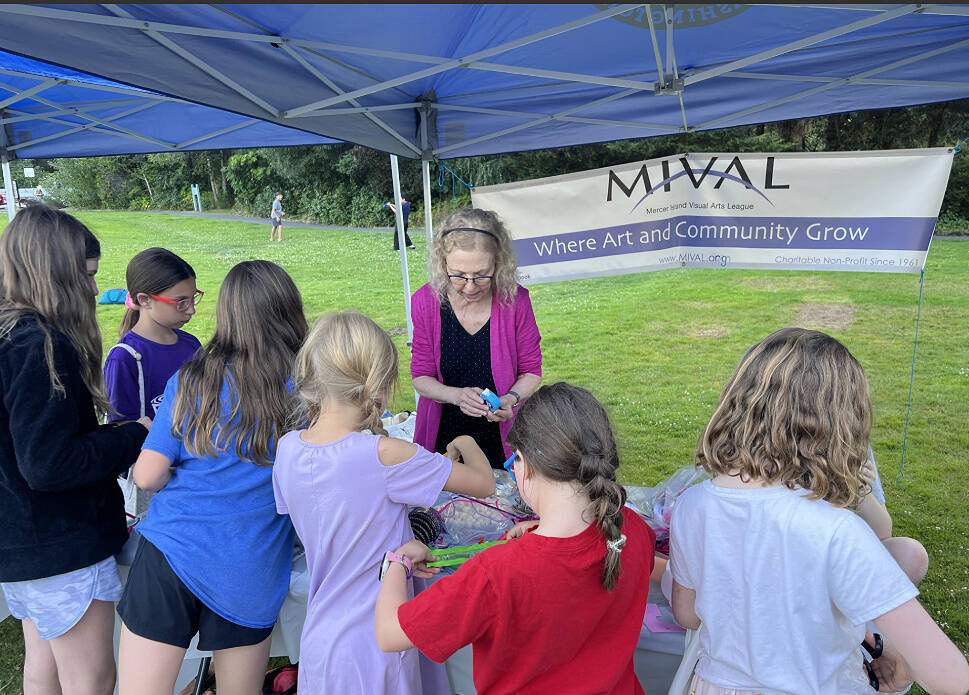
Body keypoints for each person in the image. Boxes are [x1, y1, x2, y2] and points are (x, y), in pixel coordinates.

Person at [669, 327, 969, 695]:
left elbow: (687, 614)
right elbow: (951, 678)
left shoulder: (692, 505)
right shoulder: (838, 531)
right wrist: (898, 656)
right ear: (842, 423)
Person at [375, 382, 656, 694]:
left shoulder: (495, 574)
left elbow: (390, 634)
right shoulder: (631, 529)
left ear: (528, 465)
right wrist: (546, 529)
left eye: (513, 463)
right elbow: (597, 560)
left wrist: (397, 562)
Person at [272, 310, 495, 695]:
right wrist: (466, 442)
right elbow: (484, 483)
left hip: (321, 637)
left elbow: (341, 508)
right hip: (377, 638)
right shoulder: (385, 453)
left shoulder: (288, 449)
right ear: (377, 384)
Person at [117, 260, 307, 695]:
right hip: (251, 564)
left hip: (172, 550)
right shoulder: (306, 388)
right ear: (290, 311)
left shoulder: (193, 377)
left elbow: (146, 476)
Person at [0, 206, 151, 695]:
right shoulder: (39, 344)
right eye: (87, 276)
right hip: (57, 543)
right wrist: (132, 434)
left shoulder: (10, 334)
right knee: (92, 678)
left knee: (43, 667)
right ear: (55, 272)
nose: (92, 290)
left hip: (25, 543)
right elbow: (49, 464)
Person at [411, 208, 542, 468]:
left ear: (498, 263)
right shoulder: (426, 302)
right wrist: (456, 396)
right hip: (444, 441)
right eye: (458, 275)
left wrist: (510, 399)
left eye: (481, 275)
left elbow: (531, 372)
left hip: (501, 438)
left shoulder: (516, 302)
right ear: (442, 262)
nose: (470, 287)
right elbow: (421, 377)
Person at [105, 248, 203, 518]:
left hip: (196, 473)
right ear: (144, 300)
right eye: (180, 302)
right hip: (156, 484)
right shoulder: (124, 358)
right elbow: (123, 429)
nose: (191, 309)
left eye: (193, 298)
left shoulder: (191, 344)